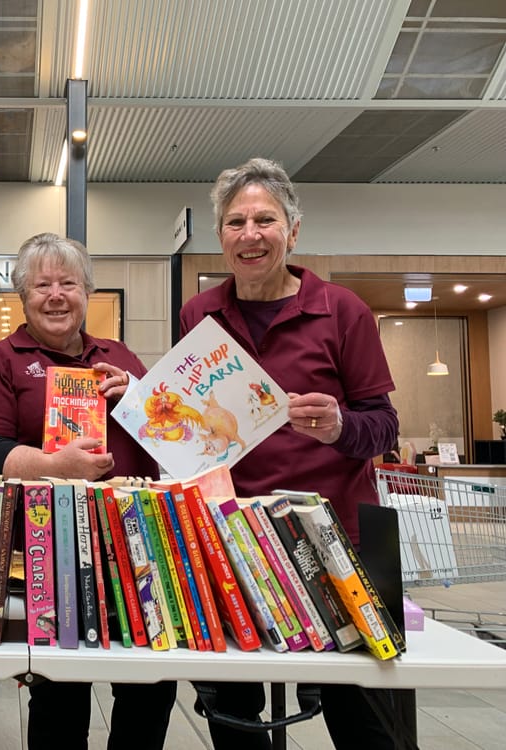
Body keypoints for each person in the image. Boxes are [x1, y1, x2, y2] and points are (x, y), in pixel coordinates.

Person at [181, 157, 400, 750]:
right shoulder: (199, 316)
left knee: (364, 713)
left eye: (265, 220)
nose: (249, 235)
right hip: (236, 539)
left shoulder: (342, 311)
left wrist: (338, 428)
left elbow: (383, 427)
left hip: (337, 542)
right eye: (234, 222)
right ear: (221, 236)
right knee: (235, 708)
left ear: (293, 230)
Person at [0, 232, 178, 750]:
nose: (56, 295)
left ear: (87, 292)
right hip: (48, 551)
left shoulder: (119, 355)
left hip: (133, 544)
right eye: (42, 285)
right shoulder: (0, 361)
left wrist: (137, 395)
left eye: (69, 283)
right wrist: (51, 466)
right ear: (22, 295)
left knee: (152, 684)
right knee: (61, 692)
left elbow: (172, 430)